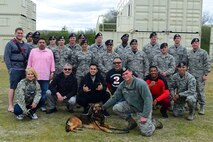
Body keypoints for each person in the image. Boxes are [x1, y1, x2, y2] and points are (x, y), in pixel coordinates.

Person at [103, 67, 163, 136]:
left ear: (131, 72)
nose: (125, 76)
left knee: (146, 132)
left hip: (142, 109)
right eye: (123, 75)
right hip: (131, 106)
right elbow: (115, 97)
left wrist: (145, 116)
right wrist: (103, 107)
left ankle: (154, 123)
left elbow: (148, 100)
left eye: (126, 73)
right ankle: (132, 122)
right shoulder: (122, 85)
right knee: (116, 108)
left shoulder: (141, 83)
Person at [4, 27, 31, 112]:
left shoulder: (26, 45)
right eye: (18, 33)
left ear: (23, 34)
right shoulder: (10, 44)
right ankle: (10, 105)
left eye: (21, 33)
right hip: (14, 69)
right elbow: (6, 57)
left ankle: (22, 103)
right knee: (13, 87)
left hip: (24, 69)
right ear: (15, 34)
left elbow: (29, 57)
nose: (20, 34)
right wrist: (10, 69)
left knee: (23, 87)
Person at [27, 38, 55, 112]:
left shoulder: (49, 52)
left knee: (44, 92)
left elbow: (52, 63)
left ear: (45, 43)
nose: (42, 43)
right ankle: (33, 105)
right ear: (38, 44)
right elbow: (29, 62)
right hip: (35, 76)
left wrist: (52, 72)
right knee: (34, 91)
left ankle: (42, 105)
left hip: (46, 76)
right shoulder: (33, 51)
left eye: (43, 42)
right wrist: (28, 72)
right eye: (40, 42)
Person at [187, 38, 211, 115]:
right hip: (191, 75)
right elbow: (187, 63)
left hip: (200, 75)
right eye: (193, 43)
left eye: (196, 43)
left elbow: (207, 63)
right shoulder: (189, 53)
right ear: (192, 44)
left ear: (198, 44)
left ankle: (202, 107)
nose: (195, 44)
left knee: (200, 91)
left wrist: (205, 74)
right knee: (192, 90)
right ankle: (194, 105)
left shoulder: (203, 52)